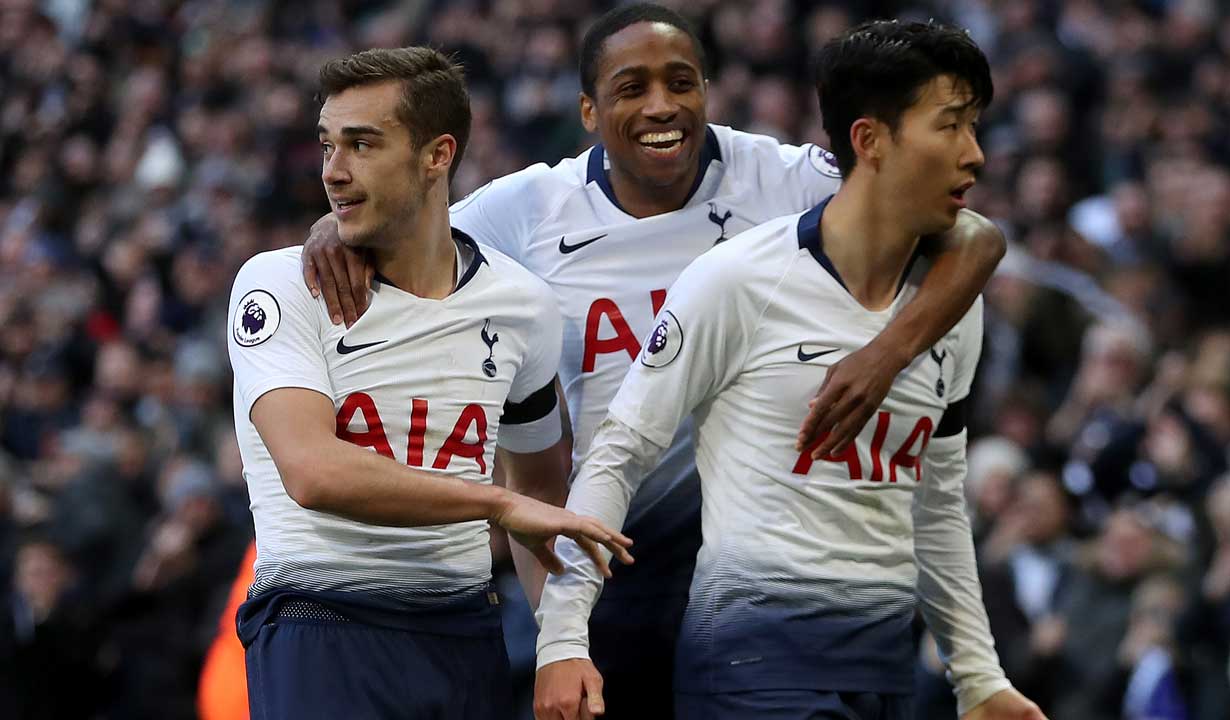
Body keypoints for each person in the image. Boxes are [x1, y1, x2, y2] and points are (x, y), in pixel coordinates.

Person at [302, 6, 1006, 718]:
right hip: (612, 548)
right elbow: (410, 225)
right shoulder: (531, 208)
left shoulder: (784, 179)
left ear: (707, 91)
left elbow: (973, 238)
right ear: (588, 111)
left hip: (758, 546)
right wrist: (335, 227)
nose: (662, 105)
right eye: (632, 88)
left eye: (681, 82)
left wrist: (887, 354)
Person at [532, 20, 1045, 720]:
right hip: (753, 661)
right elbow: (619, 453)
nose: (975, 154)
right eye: (950, 126)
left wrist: (978, 677)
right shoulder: (740, 279)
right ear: (869, 140)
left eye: (974, 127)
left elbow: (936, 501)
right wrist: (562, 638)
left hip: (883, 667)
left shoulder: (952, 307)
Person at [226, 46, 631, 720]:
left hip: (465, 630)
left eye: (361, 145)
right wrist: (494, 504)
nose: (333, 170)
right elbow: (312, 471)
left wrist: (562, 642)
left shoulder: (522, 305)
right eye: (327, 145)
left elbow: (537, 490)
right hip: (321, 620)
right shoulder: (279, 284)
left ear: (437, 155)